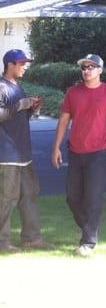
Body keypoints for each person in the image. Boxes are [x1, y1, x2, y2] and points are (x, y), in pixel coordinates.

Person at [51, 53, 106, 257]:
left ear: (100, 70)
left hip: (98, 153)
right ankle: (90, 229)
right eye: (84, 67)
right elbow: (64, 121)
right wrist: (56, 148)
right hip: (75, 152)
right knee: (73, 197)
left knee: (93, 197)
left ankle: (88, 242)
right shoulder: (73, 93)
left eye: (91, 67)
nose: (87, 71)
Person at [0, 49, 53, 252]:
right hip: (6, 155)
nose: (25, 67)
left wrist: (31, 108)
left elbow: (17, 119)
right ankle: (2, 242)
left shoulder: (17, 87)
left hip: (23, 154)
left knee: (29, 195)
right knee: (6, 199)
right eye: (21, 64)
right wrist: (20, 105)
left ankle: (31, 238)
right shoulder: (1, 86)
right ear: (10, 65)